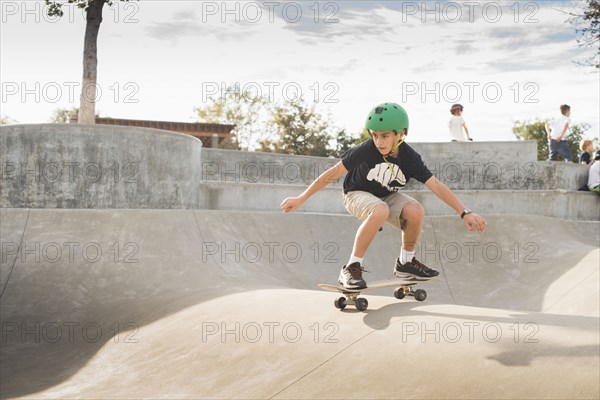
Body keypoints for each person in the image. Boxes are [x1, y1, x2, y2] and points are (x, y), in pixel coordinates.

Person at [280, 103, 487, 289]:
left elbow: (437, 186)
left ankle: (406, 262)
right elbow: (332, 173)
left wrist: (464, 212)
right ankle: (351, 267)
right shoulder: (366, 150)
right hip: (355, 193)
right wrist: (301, 198)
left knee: (415, 210)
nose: (379, 141)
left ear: (401, 134)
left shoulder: (410, 159)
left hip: (385, 196)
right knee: (380, 209)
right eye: (375, 135)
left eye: (385, 135)